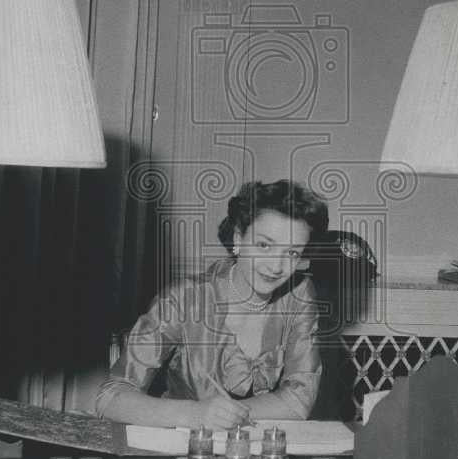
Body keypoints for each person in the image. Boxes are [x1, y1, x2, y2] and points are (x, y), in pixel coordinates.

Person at [95, 179, 329, 429]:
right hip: (180, 447)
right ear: (238, 238)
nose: (276, 266)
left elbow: (299, 399)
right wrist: (195, 414)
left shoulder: (299, 293)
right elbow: (109, 399)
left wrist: (228, 415)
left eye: (292, 253)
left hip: (255, 452)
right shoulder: (183, 299)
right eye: (264, 245)